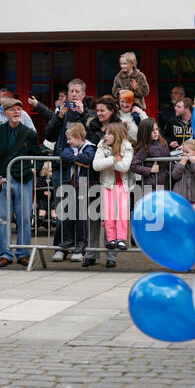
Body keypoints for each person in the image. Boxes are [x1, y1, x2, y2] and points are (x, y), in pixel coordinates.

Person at [0, 98, 44, 267]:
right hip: (2, 181)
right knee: (3, 219)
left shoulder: (29, 133)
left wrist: (35, 170)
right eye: (12, 110)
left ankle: (23, 252)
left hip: (23, 180)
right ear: (5, 113)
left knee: (25, 218)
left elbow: (38, 155)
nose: (16, 112)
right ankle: (5, 253)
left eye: (19, 109)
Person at [43, 78, 94, 262]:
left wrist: (84, 114)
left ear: (83, 94)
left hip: (81, 169)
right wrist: (58, 116)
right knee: (62, 208)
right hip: (61, 168)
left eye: (77, 92)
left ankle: (80, 247)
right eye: (71, 91)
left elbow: (94, 134)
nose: (73, 94)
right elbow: (48, 134)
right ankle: (62, 246)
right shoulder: (61, 112)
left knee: (80, 210)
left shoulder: (89, 113)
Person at [82, 95, 121, 268]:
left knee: (110, 217)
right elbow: (88, 149)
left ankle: (111, 255)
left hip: (113, 177)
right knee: (94, 215)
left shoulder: (120, 128)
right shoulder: (92, 126)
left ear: (112, 111)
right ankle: (91, 253)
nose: (98, 114)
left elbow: (121, 150)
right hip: (94, 175)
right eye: (97, 110)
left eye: (102, 110)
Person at [93, 122, 135, 258]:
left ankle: (121, 239)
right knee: (108, 212)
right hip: (107, 183)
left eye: (109, 134)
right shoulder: (102, 145)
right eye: (105, 133)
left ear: (116, 135)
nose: (105, 136)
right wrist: (112, 159)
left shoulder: (127, 147)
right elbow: (96, 165)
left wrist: (108, 162)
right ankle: (111, 238)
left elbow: (124, 167)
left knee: (122, 210)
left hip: (123, 184)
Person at [57, 123, 96, 262]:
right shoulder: (72, 148)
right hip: (72, 184)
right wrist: (78, 157)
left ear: (78, 137)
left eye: (70, 139)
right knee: (67, 211)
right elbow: (64, 154)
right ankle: (68, 239)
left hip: (84, 184)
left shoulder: (90, 147)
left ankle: (81, 242)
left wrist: (76, 157)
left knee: (80, 214)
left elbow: (88, 160)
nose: (68, 142)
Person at [172, 139, 195, 246]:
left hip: (193, 200)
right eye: (183, 152)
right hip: (180, 199)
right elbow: (175, 175)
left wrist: (194, 163)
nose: (184, 154)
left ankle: (189, 242)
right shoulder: (180, 162)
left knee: (191, 222)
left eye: (187, 152)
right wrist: (181, 164)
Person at [131, 118, 170, 191]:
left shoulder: (163, 143)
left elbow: (169, 161)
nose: (156, 132)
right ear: (145, 132)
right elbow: (133, 165)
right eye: (152, 130)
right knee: (149, 202)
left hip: (165, 182)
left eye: (156, 129)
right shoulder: (145, 147)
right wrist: (150, 170)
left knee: (161, 202)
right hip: (149, 184)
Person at [28, 88, 68, 153]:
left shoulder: (66, 110)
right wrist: (37, 105)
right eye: (59, 96)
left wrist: (38, 105)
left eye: (62, 96)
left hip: (57, 146)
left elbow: (50, 116)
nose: (59, 98)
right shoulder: (58, 109)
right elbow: (52, 119)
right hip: (50, 144)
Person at [36, 161, 57, 227]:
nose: (52, 173)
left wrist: (52, 192)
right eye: (50, 171)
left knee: (53, 205)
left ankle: (54, 217)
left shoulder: (54, 179)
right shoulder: (40, 179)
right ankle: (41, 216)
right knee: (42, 204)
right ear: (45, 172)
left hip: (52, 198)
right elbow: (38, 188)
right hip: (43, 198)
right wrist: (43, 192)